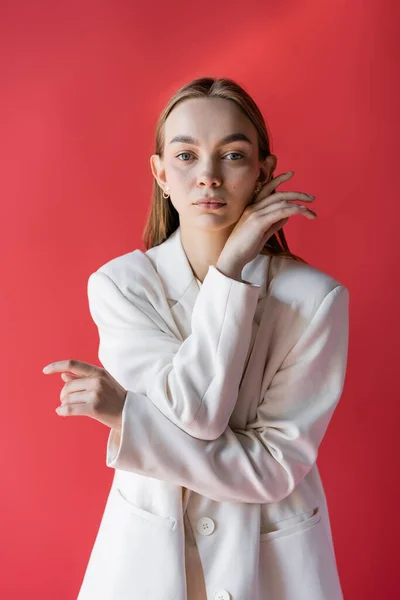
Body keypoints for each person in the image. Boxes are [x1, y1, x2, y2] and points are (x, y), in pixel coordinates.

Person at [44, 77, 349, 599]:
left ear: (263, 172)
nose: (207, 176)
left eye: (232, 155)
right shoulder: (121, 286)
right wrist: (232, 269)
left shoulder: (315, 299)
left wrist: (129, 420)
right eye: (186, 156)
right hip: (147, 558)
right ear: (160, 172)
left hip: (270, 561)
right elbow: (199, 412)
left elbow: (272, 470)